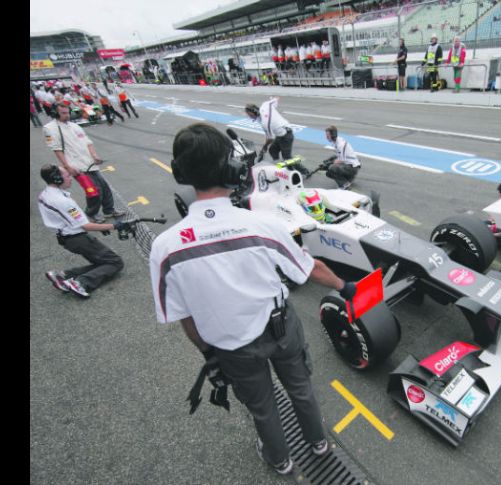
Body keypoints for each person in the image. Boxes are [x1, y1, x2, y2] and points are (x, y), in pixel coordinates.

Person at [149, 123, 358, 476]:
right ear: (230, 170)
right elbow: (310, 269)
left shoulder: (164, 248)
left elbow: (184, 317)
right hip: (281, 329)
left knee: (262, 406)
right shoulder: (261, 224)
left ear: (180, 173)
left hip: (232, 347)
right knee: (301, 388)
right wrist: (343, 286)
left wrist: (208, 353)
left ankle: (280, 459)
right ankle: (318, 443)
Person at [38, 164, 126, 298]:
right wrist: (114, 226)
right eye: (67, 176)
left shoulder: (45, 194)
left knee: (103, 262)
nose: (71, 178)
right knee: (115, 262)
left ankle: (63, 276)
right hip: (78, 239)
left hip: (66, 237)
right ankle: (81, 283)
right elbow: (86, 226)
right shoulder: (62, 201)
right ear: (57, 179)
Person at [43, 102, 126, 223]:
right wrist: (67, 166)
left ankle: (109, 210)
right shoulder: (50, 128)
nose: (67, 115)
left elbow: (88, 142)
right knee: (94, 191)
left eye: (68, 113)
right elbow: (57, 149)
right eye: (63, 113)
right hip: (76, 167)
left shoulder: (74, 126)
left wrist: (94, 155)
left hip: (90, 163)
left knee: (104, 187)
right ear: (55, 113)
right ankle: (91, 214)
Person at [244, 99, 312, 177]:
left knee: (287, 157)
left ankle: (303, 172)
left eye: (250, 115)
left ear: (254, 112)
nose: (249, 117)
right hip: (280, 133)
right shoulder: (265, 105)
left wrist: (264, 147)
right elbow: (276, 99)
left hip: (286, 135)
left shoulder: (265, 123)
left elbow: (270, 138)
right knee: (273, 150)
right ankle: (281, 167)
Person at [324, 125, 360, 190]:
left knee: (331, 168)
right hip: (351, 165)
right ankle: (349, 179)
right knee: (331, 160)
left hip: (352, 167)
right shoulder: (337, 141)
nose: (326, 137)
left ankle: (344, 185)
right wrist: (330, 160)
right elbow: (339, 156)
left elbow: (342, 160)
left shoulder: (340, 144)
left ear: (333, 135)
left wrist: (330, 163)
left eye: (328, 135)